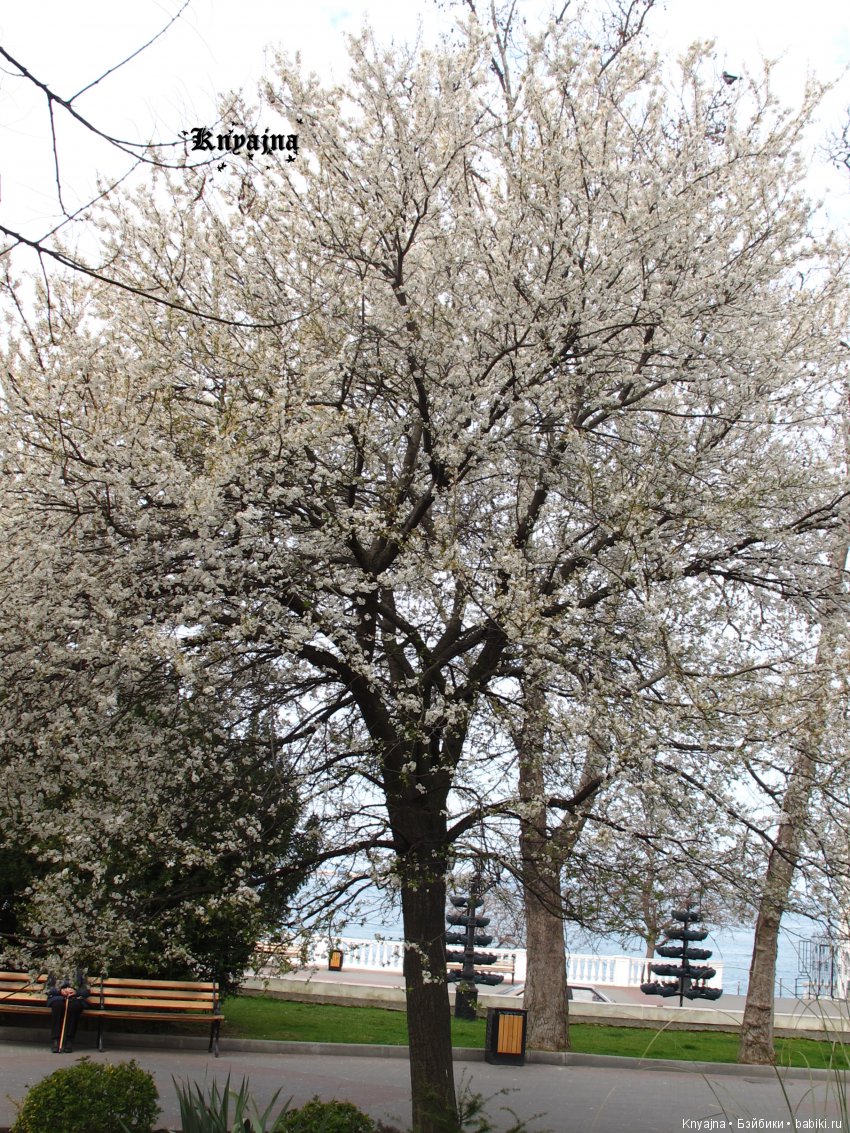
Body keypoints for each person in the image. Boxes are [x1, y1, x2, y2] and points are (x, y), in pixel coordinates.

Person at [46, 971, 89, 1053]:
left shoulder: (81, 971)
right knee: (57, 1006)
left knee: (75, 1007)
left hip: (75, 998)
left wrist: (76, 992)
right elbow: (47, 988)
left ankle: (69, 1039)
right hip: (58, 997)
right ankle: (56, 1040)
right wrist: (60, 991)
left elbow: (86, 991)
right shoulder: (54, 969)